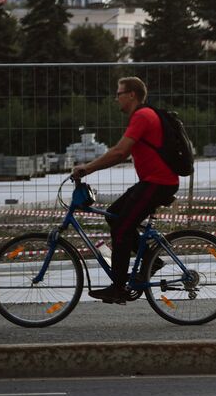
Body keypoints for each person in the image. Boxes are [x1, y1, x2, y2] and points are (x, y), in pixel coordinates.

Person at [70, 76, 179, 303]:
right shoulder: (142, 115)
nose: (116, 98)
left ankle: (118, 287)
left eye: (119, 93)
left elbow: (120, 152)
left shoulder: (141, 116)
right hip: (153, 181)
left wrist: (87, 168)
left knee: (121, 227)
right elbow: (121, 153)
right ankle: (152, 260)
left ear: (131, 94)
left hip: (158, 182)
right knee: (115, 215)